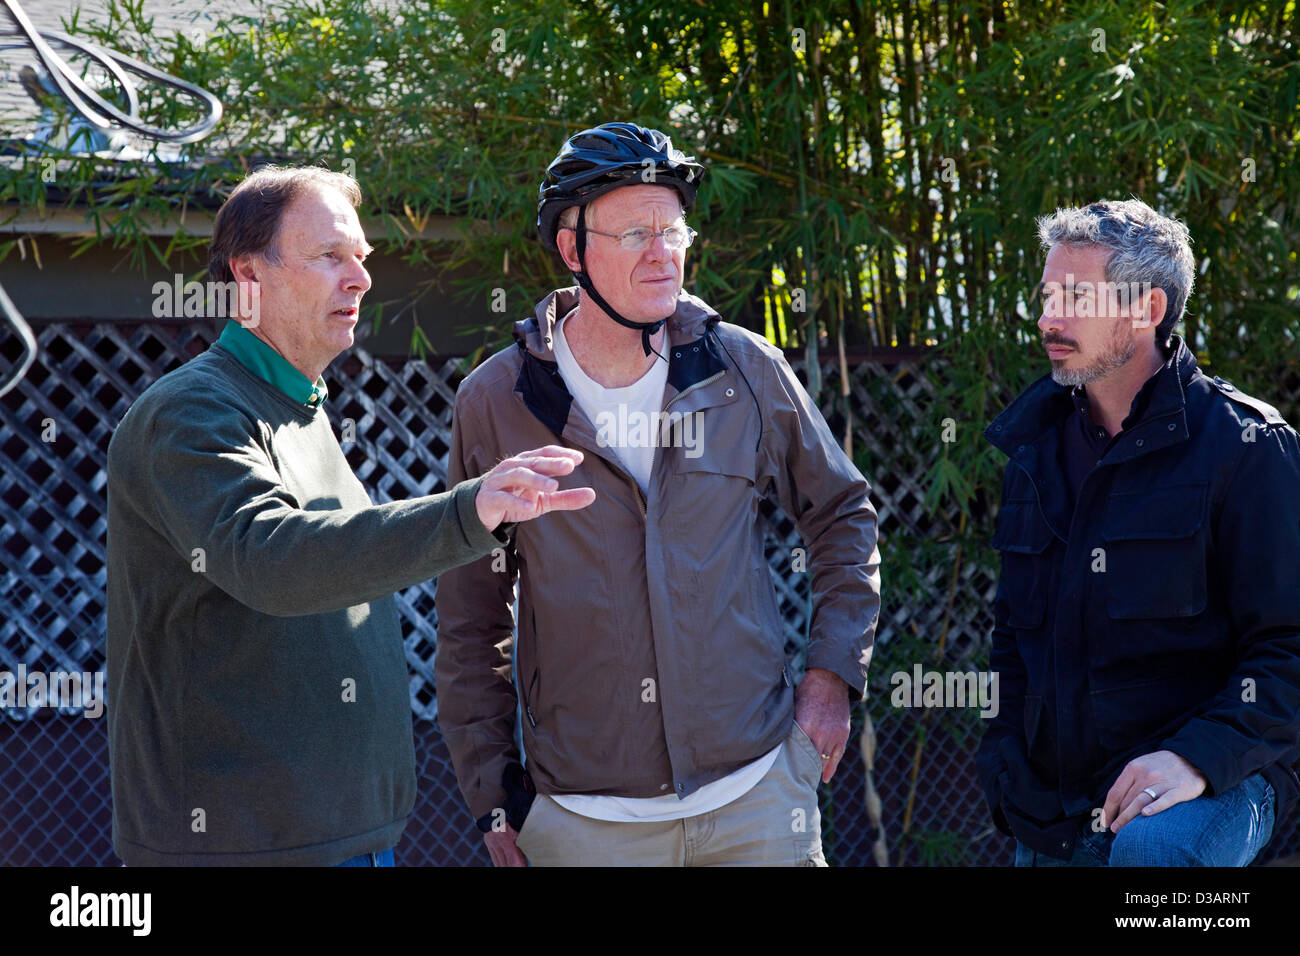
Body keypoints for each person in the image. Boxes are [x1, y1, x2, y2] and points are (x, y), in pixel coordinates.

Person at [106, 165, 594, 866]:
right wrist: (468, 511)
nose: (361, 278)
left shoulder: (302, 406)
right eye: (330, 256)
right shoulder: (192, 413)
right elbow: (271, 559)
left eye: (361, 258)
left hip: (347, 843)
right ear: (249, 276)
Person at [434, 122, 881, 867]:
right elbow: (471, 616)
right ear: (572, 250)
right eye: (635, 230)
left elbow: (842, 517)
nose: (662, 251)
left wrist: (831, 680)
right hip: (582, 823)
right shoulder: (498, 398)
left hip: (758, 800)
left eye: (673, 229)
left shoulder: (742, 368)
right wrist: (492, 795)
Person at [977, 198, 1300, 866]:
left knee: (1151, 851)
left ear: (1147, 309)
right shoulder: (1034, 449)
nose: (1048, 319)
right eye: (1045, 297)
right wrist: (1004, 761)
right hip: (1054, 804)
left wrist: (1194, 758)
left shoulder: (1245, 448)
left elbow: (1291, 645)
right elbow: (1011, 637)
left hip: (1215, 778)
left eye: (1074, 297)